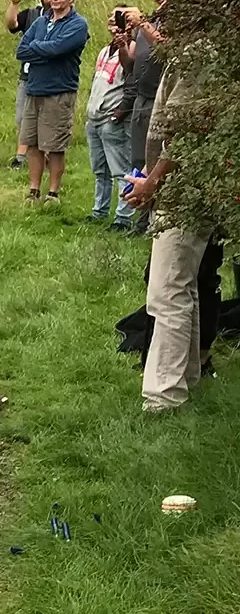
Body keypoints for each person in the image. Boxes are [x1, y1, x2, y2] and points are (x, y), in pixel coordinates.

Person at [127, 55, 211, 411]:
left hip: (185, 190)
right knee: (182, 284)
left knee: (166, 291)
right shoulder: (192, 51)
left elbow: (184, 133)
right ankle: (186, 377)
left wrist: (152, 183)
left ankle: (164, 395)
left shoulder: (198, 54)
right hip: (184, 188)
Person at [121, 0, 187, 233]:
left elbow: (169, 47)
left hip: (163, 99)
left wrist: (142, 24)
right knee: (140, 157)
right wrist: (122, 40)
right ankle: (142, 215)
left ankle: (157, 218)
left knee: (159, 155)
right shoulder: (151, 17)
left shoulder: (177, 18)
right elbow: (132, 60)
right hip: (142, 95)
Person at [16, 0, 89, 201]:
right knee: (33, 143)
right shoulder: (40, 21)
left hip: (59, 91)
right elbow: (21, 51)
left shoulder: (78, 24)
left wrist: (38, 48)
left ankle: (53, 192)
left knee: (55, 145)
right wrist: (44, 50)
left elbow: (59, 48)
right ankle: (34, 189)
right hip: (34, 89)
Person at [85, 9, 138, 229]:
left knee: (120, 169)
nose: (113, 21)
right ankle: (100, 210)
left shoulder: (132, 48)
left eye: (120, 18)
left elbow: (131, 75)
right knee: (100, 169)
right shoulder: (105, 50)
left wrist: (120, 112)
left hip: (111, 117)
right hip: (94, 116)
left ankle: (123, 216)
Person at [5, 0, 53, 167]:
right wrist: (14, 3)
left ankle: (46, 156)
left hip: (50, 77)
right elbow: (11, 24)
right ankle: (22, 157)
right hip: (27, 75)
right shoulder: (32, 14)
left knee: (47, 119)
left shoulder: (64, 18)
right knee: (22, 118)